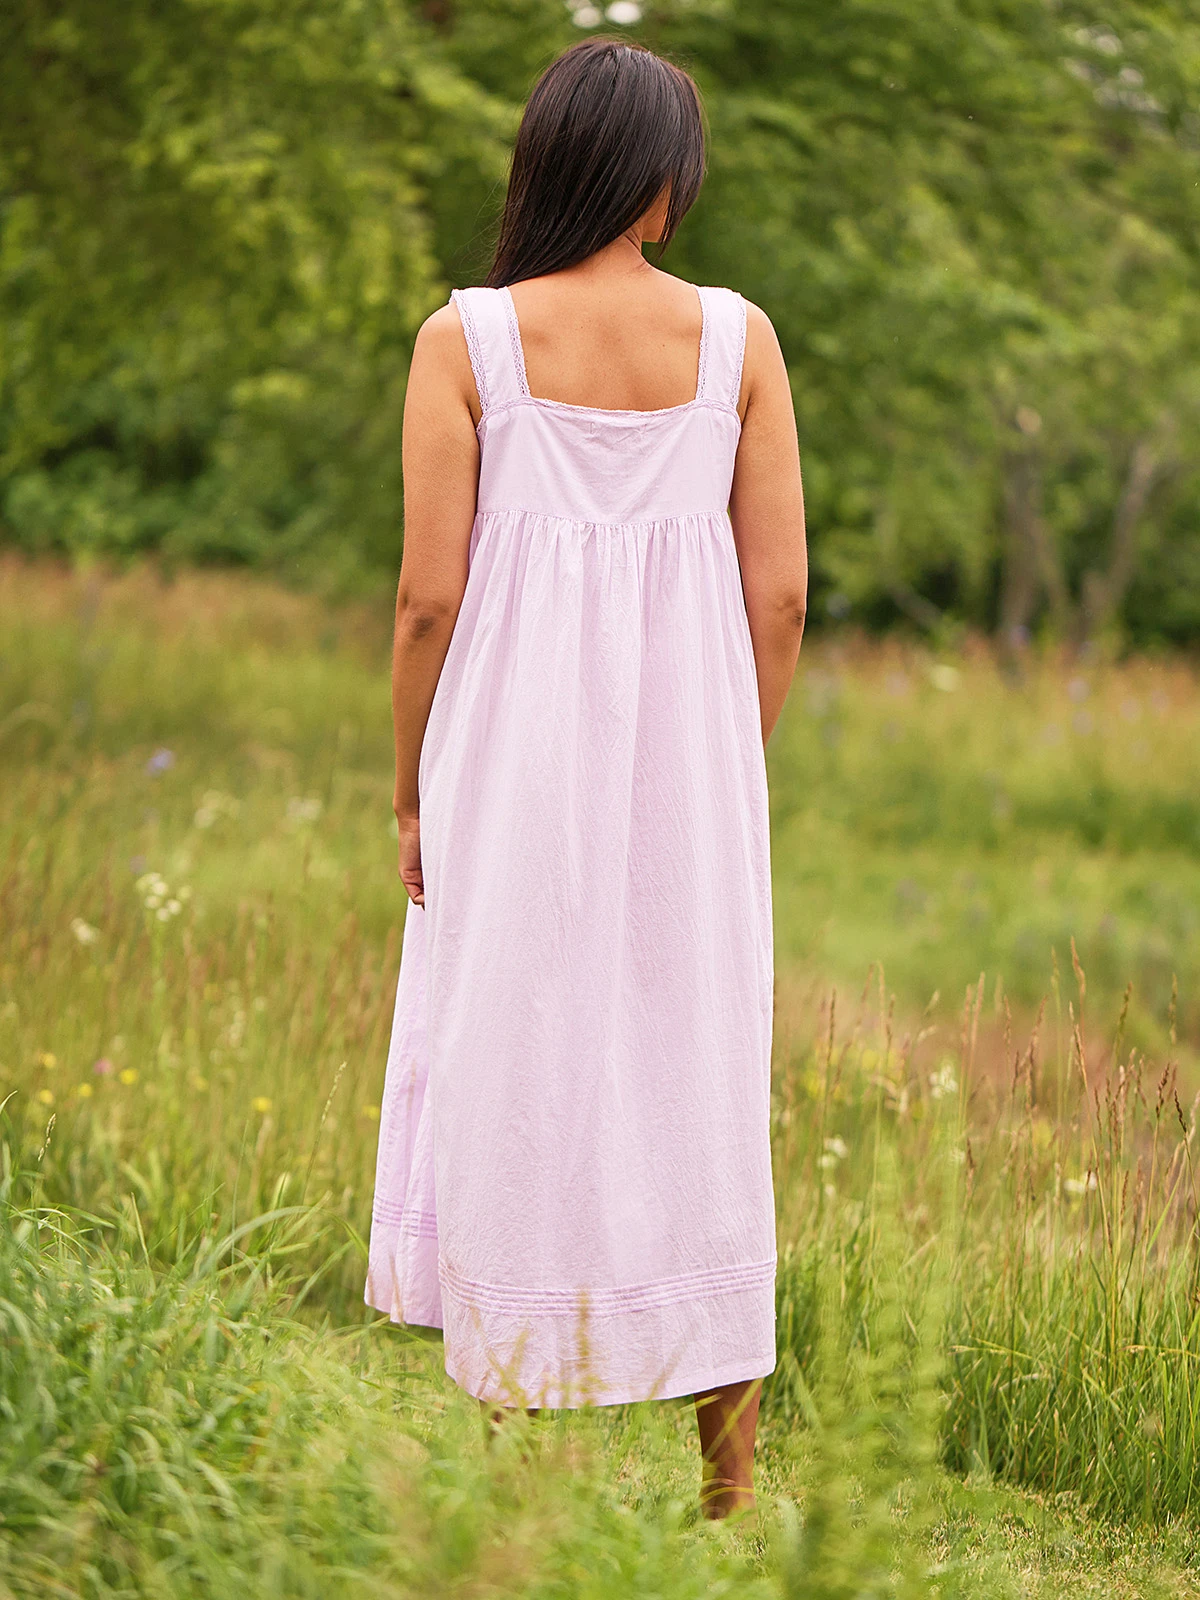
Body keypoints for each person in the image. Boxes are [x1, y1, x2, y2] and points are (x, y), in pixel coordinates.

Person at [365, 35, 807, 1520]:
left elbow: (426, 601)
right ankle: (728, 1490)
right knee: (699, 1078)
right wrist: (721, 763)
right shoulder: (739, 341)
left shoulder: (466, 342)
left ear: (543, 166)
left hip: (503, 768)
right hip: (697, 774)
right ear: (662, 181)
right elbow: (782, 598)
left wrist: (414, 788)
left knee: (516, 1060)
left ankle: (517, 1473)